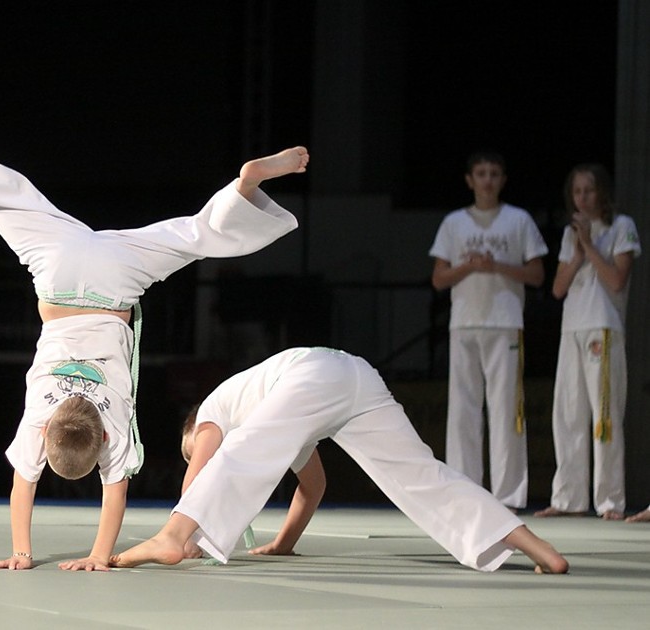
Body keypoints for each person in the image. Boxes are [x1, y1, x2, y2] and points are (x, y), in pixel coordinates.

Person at [0, 67, 309, 571]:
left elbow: (115, 491)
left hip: (117, 278)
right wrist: (20, 550)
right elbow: (22, 486)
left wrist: (101, 555)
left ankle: (245, 187)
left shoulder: (111, 424)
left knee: (193, 237)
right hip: (59, 267)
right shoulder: (40, 420)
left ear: (101, 439)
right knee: (3, 194)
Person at [110, 347, 569, 574]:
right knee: (423, 475)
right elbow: (313, 487)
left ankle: (169, 536)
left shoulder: (212, 412)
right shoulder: (285, 421)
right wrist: (284, 542)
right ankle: (537, 549)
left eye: (196, 445)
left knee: (241, 450)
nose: (200, 451)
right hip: (355, 378)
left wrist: (181, 535)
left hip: (314, 373)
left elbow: (203, 468)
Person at [429, 152, 548, 511]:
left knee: (505, 409)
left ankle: (507, 497)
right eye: (481, 174)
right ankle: (464, 491)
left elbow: (538, 274)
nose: (487, 180)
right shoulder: (454, 223)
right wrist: (470, 266)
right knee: (463, 409)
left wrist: (496, 265)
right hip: (464, 322)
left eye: (494, 174)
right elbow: (438, 278)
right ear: (470, 180)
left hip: (505, 322)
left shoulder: (518, 220)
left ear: (502, 179)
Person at [535, 164, 641, 521]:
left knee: (605, 417)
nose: (582, 197)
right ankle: (568, 498)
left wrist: (590, 245)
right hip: (572, 328)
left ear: (602, 193)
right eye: (577, 191)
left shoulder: (621, 226)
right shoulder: (571, 235)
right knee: (567, 414)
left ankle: (610, 500)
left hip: (603, 327)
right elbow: (557, 288)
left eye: (589, 190)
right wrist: (578, 248)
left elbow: (616, 279)